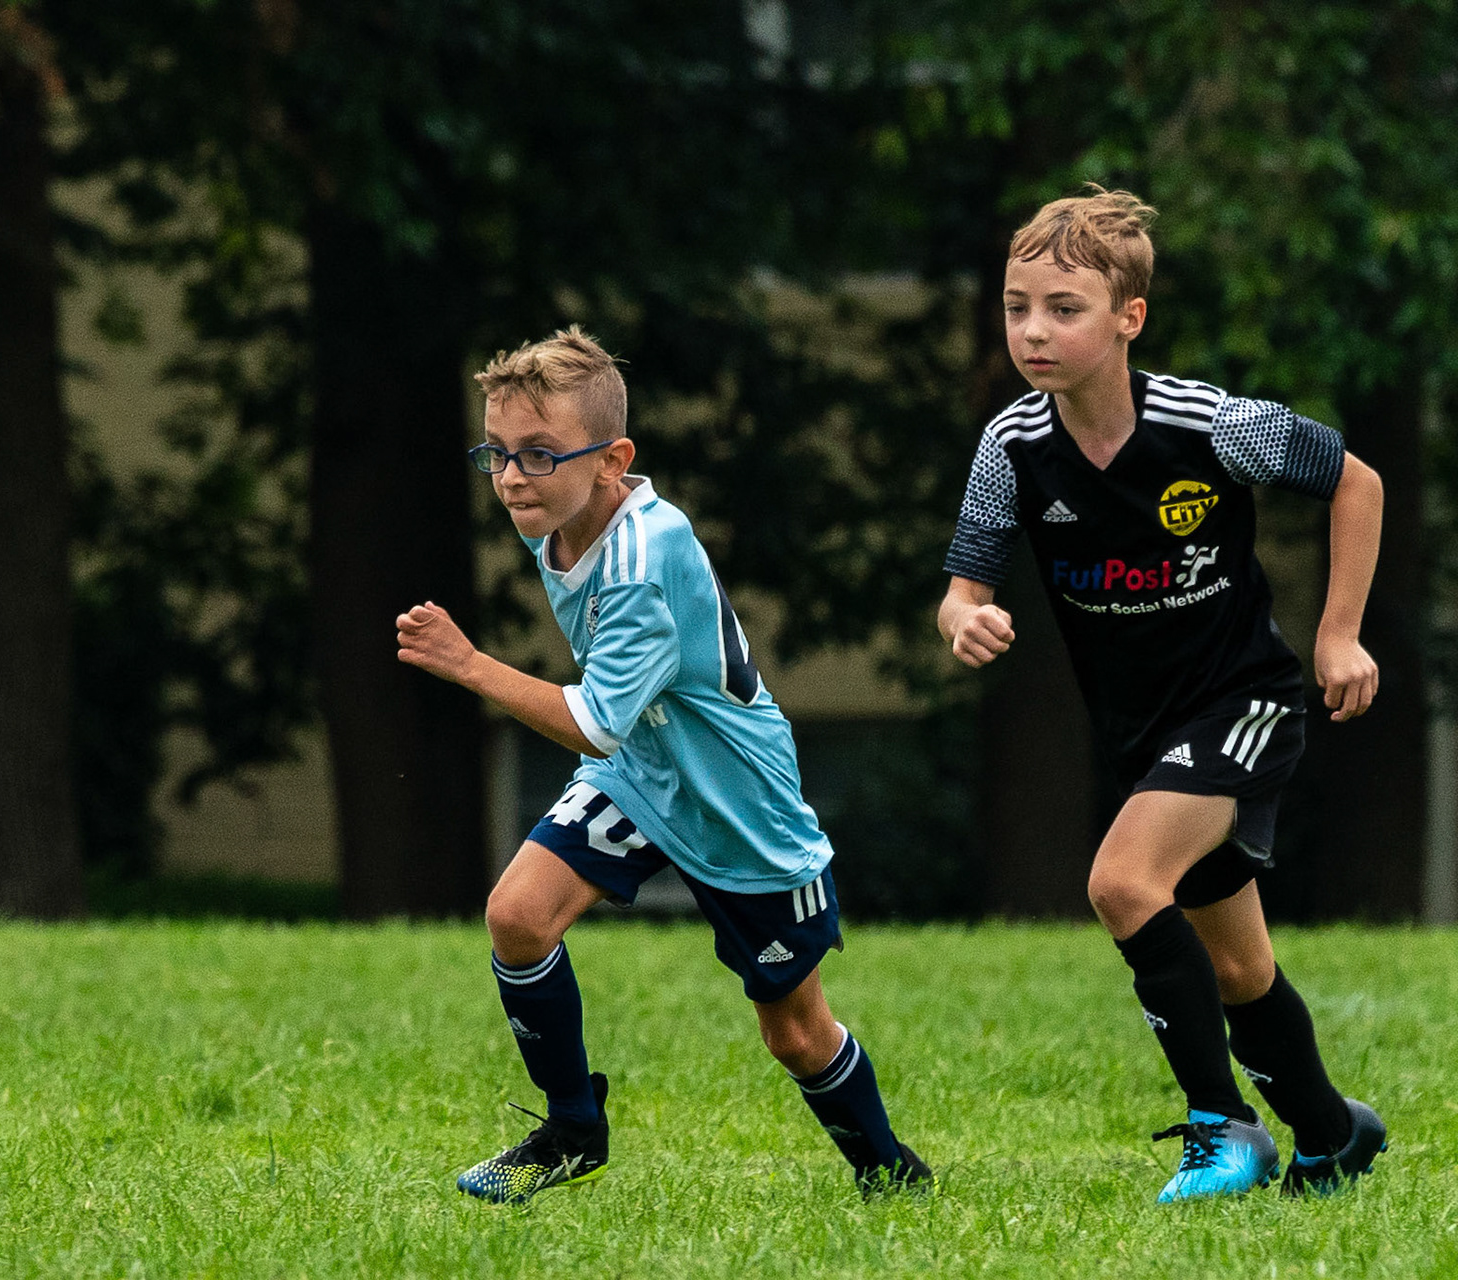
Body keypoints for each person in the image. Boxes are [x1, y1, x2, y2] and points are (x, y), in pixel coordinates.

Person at [396, 327, 930, 1206]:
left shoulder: (646, 561)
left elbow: (593, 724)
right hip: (645, 774)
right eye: (496, 454)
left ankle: (891, 1175)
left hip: (736, 802)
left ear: (614, 461)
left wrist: (467, 663)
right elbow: (618, 734)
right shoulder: (558, 517)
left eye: (538, 455)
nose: (513, 478)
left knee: (796, 1036)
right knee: (520, 916)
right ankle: (573, 1129)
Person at [937, 187, 1388, 1202]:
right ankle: (1328, 1132)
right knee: (1239, 969)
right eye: (1018, 307)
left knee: (1121, 882)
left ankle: (1221, 1128)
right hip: (1145, 731)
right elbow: (962, 588)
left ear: (1128, 318)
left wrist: (1340, 631)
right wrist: (963, 617)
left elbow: (1356, 481)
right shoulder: (1011, 446)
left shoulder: (1213, 425)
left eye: (1064, 307)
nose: (1034, 330)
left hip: (1244, 701)